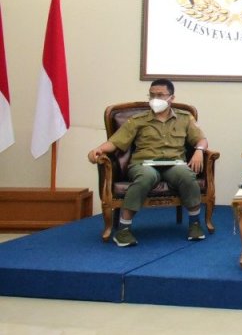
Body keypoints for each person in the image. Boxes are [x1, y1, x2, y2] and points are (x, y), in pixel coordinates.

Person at [87, 79, 208, 247]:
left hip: (173, 163)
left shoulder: (185, 118)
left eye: (160, 95)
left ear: (171, 98)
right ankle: (123, 230)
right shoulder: (138, 120)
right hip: (144, 164)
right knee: (146, 177)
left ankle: (195, 224)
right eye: (152, 95)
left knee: (187, 175)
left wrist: (199, 150)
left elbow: (201, 139)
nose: (155, 99)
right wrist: (98, 150)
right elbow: (115, 142)